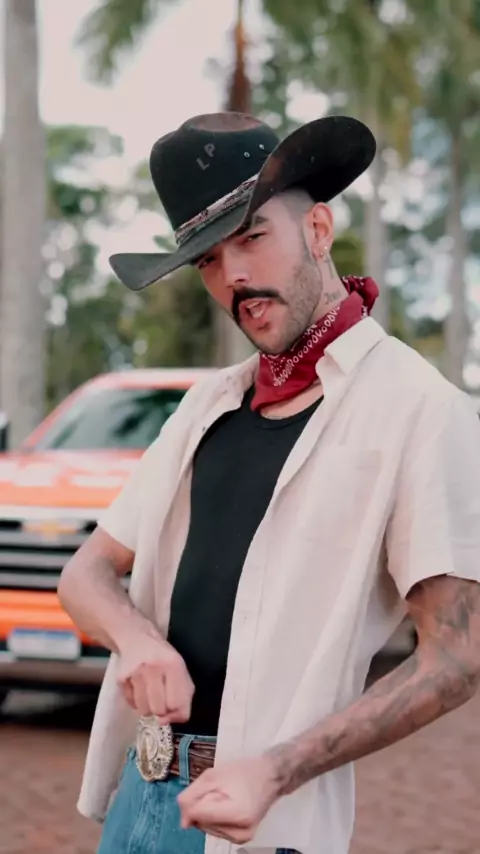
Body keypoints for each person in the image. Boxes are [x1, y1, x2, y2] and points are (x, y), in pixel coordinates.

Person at [58, 112, 480, 854]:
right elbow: (86, 573)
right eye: (209, 260)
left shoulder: (419, 410)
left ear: (318, 229)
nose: (234, 277)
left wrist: (277, 772)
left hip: (263, 820)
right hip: (139, 797)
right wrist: (138, 642)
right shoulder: (206, 404)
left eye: (252, 238)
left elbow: (456, 657)